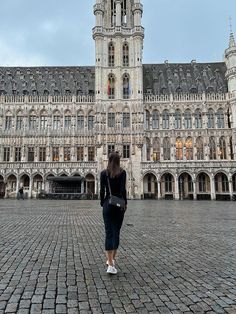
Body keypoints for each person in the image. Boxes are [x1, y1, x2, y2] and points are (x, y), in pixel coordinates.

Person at [100, 152, 127, 275]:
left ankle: (110, 263)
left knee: (108, 232)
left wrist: (102, 203)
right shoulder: (122, 173)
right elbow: (123, 190)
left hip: (107, 204)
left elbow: (102, 191)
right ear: (118, 161)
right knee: (116, 232)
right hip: (118, 205)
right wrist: (124, 204)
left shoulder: (103, 173)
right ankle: (112, 261)